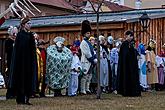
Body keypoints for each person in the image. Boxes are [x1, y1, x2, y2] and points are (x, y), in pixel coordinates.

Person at [8, 17, 36, 105]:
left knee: (29, 79)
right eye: (28, 24)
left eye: (30, 24)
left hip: (29, 62)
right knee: (21, 80)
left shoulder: (30, 35)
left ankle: (27, 98)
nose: (30, 25)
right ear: (23, 25)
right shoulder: (20, 35)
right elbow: (18, 50)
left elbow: (32, 49)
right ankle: (20, 99)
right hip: (21, 62)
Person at [117, 30, 141, 97]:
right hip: (126, 65)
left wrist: (136, 55)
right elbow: (124, 55)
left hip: (132, 65)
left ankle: (134, 91)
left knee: (133, 78)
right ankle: (126, 91)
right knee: (126, 77)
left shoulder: (132, 43)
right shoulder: (124, 44)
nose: (129, 37)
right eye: (128, 36)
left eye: (130, 36)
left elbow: (134, 52)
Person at [80, 20, 97, 95]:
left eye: (89, 33)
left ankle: (87, 88)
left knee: (89, 76)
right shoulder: (83, 43)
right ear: (84, 34)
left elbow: (92, 51)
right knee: (85, 76)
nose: (89, 34)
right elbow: (87, 53)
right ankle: (82, 89)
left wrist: (94, 57)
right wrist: (92, 59)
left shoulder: (89, 42)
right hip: (86, 61)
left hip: (90, 61)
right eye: (87, 33)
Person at [5, 26, 18, 99]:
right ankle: (9, 93)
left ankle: (15, 92)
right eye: (14, 33)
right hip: (10, 61)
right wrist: (13, 45)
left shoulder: (16, 41)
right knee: (10, 76)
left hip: (16, 61)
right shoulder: (8, 41)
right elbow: (7, 50)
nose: (15, 34)